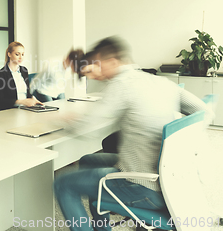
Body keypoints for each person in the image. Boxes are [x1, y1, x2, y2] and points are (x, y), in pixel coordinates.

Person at [53, 36, 211, 231]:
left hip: (144, 185)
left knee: (63, 183)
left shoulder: (120, 85)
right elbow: (205, 111)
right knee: (88, 160)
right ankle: (101, 226)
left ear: (112, 62)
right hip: (171, 178)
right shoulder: (162, 82)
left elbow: (85, 128)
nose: (97, 71)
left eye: (98, 65)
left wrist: (61, 119)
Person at [0, 41, 42, 111]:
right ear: (9, 54)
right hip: (11, 111)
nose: (20, 57)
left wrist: (33, 98)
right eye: (17, 54)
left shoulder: (24, 70)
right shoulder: (0, 74)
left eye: (22, 54)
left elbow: (27, 93)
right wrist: (21, 102)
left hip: (27, 109)